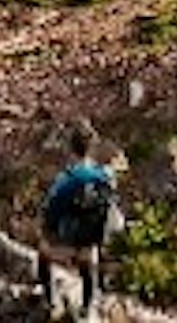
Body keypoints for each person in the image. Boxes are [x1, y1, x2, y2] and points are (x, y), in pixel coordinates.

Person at [38, 127, 122, 317]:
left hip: (67, 242)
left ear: (70, 149)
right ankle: (88, 304)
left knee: (43, 256)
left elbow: (51, 212)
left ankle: (52, 302)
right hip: (92, 243)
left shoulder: (67, 179)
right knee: (90, 258)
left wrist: (47, 233)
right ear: (92, 148)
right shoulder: (106, 177)